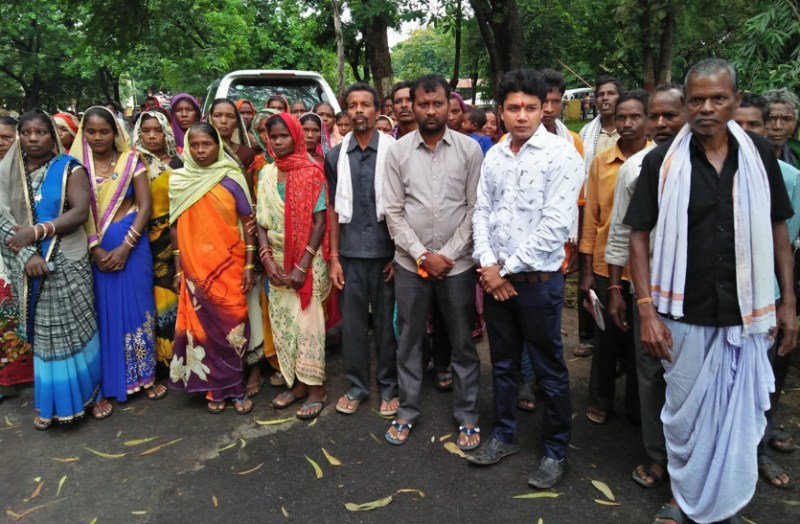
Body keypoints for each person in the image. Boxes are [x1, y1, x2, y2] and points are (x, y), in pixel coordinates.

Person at [624, 58, 796, 524]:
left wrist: (788, 303)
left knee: (735, 418)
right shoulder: (661, 163)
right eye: (697, 99)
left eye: (718, 98)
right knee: (685, 415)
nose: (706, 108)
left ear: (735, 101)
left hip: (747, 312)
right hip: (683, 312)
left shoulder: (758, 155)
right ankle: (684, 498)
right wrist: (646, 312)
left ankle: (726, 502)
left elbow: (778, 228)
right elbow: (638, 236)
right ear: (685, 104)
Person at [466, 69, 582, 489]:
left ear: (543, 108)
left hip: (538, 282)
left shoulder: (561, 155)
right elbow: (482, 211)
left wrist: (502, 270)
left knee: (549, 369)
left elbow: (554, 226)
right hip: (496, 281)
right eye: (513, 107)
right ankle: (504, 435)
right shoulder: (496, 155)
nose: (522, 116)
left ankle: (555, 451)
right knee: (503, 363)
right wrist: (487, 264)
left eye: (531, 107)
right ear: (500, 110)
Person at [384, 74, 483, 450]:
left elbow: (475, 208)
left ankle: (468, 415)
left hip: (457, 265)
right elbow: (393, 211)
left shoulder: (469, 150)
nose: (429, 111)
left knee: (462, 341)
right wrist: (423, 255)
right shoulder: (398, 152)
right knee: (409, 339)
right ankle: (407, 409)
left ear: (448, 105)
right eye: (422, 104)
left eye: (437, 104)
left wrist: (449, 255)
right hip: (411, 264)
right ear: (411, 106)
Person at [604, 84, 686, 492]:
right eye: (655, 116)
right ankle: (657, 455)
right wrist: (616, 290)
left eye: (671, 115)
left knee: (691, 377)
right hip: (648, 287)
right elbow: (621, 233)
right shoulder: (636, 169)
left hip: (698, 292)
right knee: (651, 371)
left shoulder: (713, 166)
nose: (661, 124)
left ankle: (693, 460)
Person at [0, 110, 102, 429]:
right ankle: (53, 404)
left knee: (78, 329)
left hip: (68, 260)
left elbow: (80, 212)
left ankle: (91, 395)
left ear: (52, 135)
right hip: (28, 264)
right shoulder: (7, 173)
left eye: (41, 132)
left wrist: (37, 232)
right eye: (26, 132)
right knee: (47, 336)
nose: (33, 138)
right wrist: (28, 254)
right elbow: (3, 221)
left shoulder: (69, 168)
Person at [75, 106, 162, 417]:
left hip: (133, 246)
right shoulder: (76, 167)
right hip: (95, 249)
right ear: (84, 133)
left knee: (139, 308)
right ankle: (110, 382)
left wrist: (126, 246)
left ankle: (145, 376)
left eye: (104, 131)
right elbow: (75, 210)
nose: (98, 137)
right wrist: (94, 250)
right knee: (104, 313)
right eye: (91, 131)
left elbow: (145, 206)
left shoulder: (130, 161)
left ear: (115, 132)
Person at [733, 92, 800, 490]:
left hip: (765, 294)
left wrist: (785, 302)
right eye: (738, 124)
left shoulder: (788, 178)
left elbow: (783, 245)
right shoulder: (707, 171)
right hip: (718, 296)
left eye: (753, 125)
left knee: (764, 379)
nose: (747, 132)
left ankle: (757, 449)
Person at [168, 122, 255, 415]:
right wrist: (178, 269)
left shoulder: (232, 178)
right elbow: (175, 226)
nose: (201, 150)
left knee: (233, 326)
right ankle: (215, 389)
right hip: (195, 269)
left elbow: (248, 222)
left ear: (218, 145)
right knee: (203, 330)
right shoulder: (179, 181)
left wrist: (250, 264)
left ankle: (236, 386)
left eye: (207, 144)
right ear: (187, 149)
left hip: (230, 266)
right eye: (194, 145)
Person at [325, 82, 398, 418]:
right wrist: (334, 258)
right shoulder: (335, 156)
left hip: (387, 255)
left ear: (377, 110)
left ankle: (389, 387)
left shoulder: (395, 152)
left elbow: (405, 206)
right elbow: (333, 210)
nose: (358, 111)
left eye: (365, 104)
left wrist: (399, 255)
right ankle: (356, 387)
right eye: (352, 105)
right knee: (353, 328)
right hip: (350, 255)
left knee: (386, 327)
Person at [579, 90, 652, 426]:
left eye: (635, 116)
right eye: (622, 117)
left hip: (646, 268)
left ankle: (638, 406)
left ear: (647, 120)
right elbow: (592, 218)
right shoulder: (602, 162)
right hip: (606, 264)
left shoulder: (659, 160)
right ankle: (600, 398)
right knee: (606, 339)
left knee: (641, 343)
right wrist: (586, 271)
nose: (627, 123)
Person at [256, 113, 331, 420]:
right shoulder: (267, 173)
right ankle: (297, 384)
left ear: (296, 136)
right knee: (285, 325)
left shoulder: (312, 172)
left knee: (308, 325)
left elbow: (320, 222)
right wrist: (266, 259)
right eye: (272, 136)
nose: (277, 142)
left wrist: (302, 266)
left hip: (307, 261)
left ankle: (316, 389)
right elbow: (261, 221)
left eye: (283, 136)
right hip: (275, 261)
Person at [574, 76, 623, 358]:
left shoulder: (628, 129)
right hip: (592, 206)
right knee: (588, 272)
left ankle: (616, 340)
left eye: (611, 93)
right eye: (601, 94)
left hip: (622, 210)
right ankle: (588, 335)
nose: (605, 98)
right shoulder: (587, 132)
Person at [132, 109, 184, 367]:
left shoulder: (181, 162)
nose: (152, 136)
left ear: (167, 133)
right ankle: (156, 362)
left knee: (176, 293)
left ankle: (178, 357)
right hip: (143, 238)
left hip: (176, 235)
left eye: (158, 130)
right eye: (146, 131)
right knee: (148, 295)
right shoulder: (134, 163)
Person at [0, 115, 33, 394]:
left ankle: (29, 374)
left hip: (28, 252)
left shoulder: (32, 170)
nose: (0, 143)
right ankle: (7, 381)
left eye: (6, 137)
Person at [764, 89, 799, 168]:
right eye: (770, 118)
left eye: (786, 119)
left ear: (795, 122)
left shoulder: (797, 153)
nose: (778, 126)